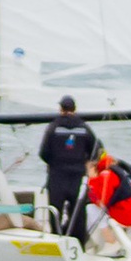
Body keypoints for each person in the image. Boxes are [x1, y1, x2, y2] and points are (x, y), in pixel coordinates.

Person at [39, 96, 97, 237]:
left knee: (55, 210)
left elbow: (43, 152)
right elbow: (95, 149)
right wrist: (84, 162)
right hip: (77, 175)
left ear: (61, 109)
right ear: (74, 109)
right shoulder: (84, 128)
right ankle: (78, 241)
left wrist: (54, 163)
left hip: (57, 175)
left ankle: (56, 237)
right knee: (78, 212)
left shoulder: (53, 127)